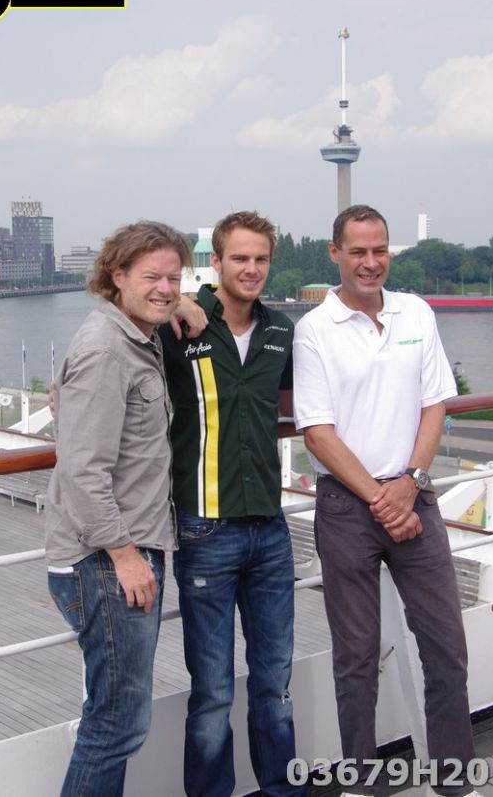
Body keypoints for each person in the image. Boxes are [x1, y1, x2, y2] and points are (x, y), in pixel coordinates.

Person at [293, 205, 479, 797]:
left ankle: (455, 780)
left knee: (446, 649)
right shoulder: (314, 329)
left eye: (380, 251)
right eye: (358, 252)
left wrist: (410, 481)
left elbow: (435, 404)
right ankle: (360, 783)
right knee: (356, 658)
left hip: (413, 497)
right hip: (348, 509)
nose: (370, 263)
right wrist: (382, 498)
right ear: (335, 254)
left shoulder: (415, 312)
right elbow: (316, 431)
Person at [160, 210, 307, 797]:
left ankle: (282, 789)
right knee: (213, 691)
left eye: (261, 259)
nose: (251, 269)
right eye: (239, 258)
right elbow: (121, 323)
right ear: (216, 262)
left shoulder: (281, 331)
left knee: (274, 682)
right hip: (205, 529)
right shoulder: (179, 324)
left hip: (270, 530)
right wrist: (174, 303)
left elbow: (297, 406)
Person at [45, 220, 193, 797]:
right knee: (116, 724)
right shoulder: (106, 349)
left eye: (174, 278)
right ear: (118, 275)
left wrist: (182, 307)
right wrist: (126, 556)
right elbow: (83, 471)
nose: (165, 288)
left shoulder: (135, 335)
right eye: (152, 277)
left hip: (121, 554)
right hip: (106, 561)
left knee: (117, 718)